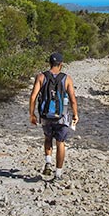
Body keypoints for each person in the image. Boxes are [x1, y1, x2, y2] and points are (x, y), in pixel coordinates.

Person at [29, 52, 79, 180]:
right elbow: (73, 98)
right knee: (60, 142)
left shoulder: (41, 77)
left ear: (49, 63)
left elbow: (33, 96)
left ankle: (48, 162)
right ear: (61, 64)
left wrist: (32, 114)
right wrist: (75, 114)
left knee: (47, 138)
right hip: (61, 117)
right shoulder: (66, 78)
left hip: (45, 115)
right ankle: (58, 173)